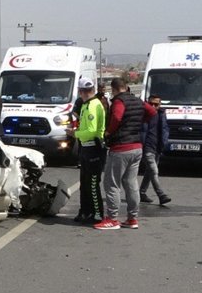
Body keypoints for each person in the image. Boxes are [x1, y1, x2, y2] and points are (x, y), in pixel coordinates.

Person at [95, 78, 155, 230]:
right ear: (127, 87)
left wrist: (109, 132)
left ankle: (112, 218)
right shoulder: (138, 101)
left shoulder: (119, 101)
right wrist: (139, 123)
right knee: (131, 183)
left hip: (121, 147)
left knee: (111, 183)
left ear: (114, 89)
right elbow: (152, 112)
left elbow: (116, 117)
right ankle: (132, 218)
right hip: (136, 146)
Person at [71, 78, 106, 224]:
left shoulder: (93, 105)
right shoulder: (86, 104)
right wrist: (77, 131)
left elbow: (91, 130)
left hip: (93, 148)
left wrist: (75, 134)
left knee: (92, 183)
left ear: (82, 91)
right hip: (85, 147)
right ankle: (85, 211)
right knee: (84, 183)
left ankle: (97, 213)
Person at [138, 94, 172, 206]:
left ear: (159, 105)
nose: (153, 106)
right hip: (146, 147)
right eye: (150, 103)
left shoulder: (161, 114)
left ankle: (142, 193)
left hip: (157, 147)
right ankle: (161, 194)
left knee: (149, 172)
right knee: (153, 170)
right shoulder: (143, 115)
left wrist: (164, 142)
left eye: (156, 104)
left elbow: (165, 129)